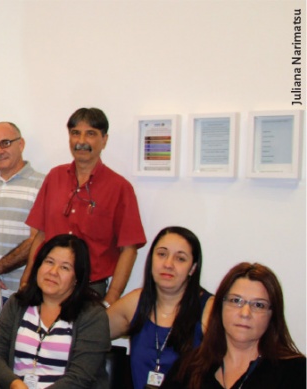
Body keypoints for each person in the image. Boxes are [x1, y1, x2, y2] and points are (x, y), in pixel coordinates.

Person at [24, 107, 146, 303]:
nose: (81, 141)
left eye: (90, 134)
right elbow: (40, 235)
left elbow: (129, 249)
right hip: (47, 284)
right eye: (75, 133)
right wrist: (27, 280)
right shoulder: (54, 177)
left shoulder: (119, 188)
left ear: (104, 140)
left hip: (89, 289)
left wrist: (111, 299)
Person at [0, 234, 111, 389]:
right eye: (49, 262)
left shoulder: (93, 315)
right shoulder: (17, 303)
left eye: (65, 267)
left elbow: (80, 378)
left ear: (77, 276)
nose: (53, 272)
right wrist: (15, 383)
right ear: (38, 266)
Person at [162, 263, 305, 388]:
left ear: (272, 315)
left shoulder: (294, 371)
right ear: (219, 306)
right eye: (236, 301)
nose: (245, 313)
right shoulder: (188, 368)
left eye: (258, 305)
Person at [107, 227, 214, 388]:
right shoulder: (136, 302)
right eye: (162, 254)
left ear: (192, 268)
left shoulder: (209, 308)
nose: (168, 264)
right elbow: (87, 333)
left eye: (180, 259)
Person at [0, 122, 45, 300]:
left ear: (21, 144)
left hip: (24, 292)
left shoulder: (43, 185)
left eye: (5, 143)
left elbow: (38, 238)